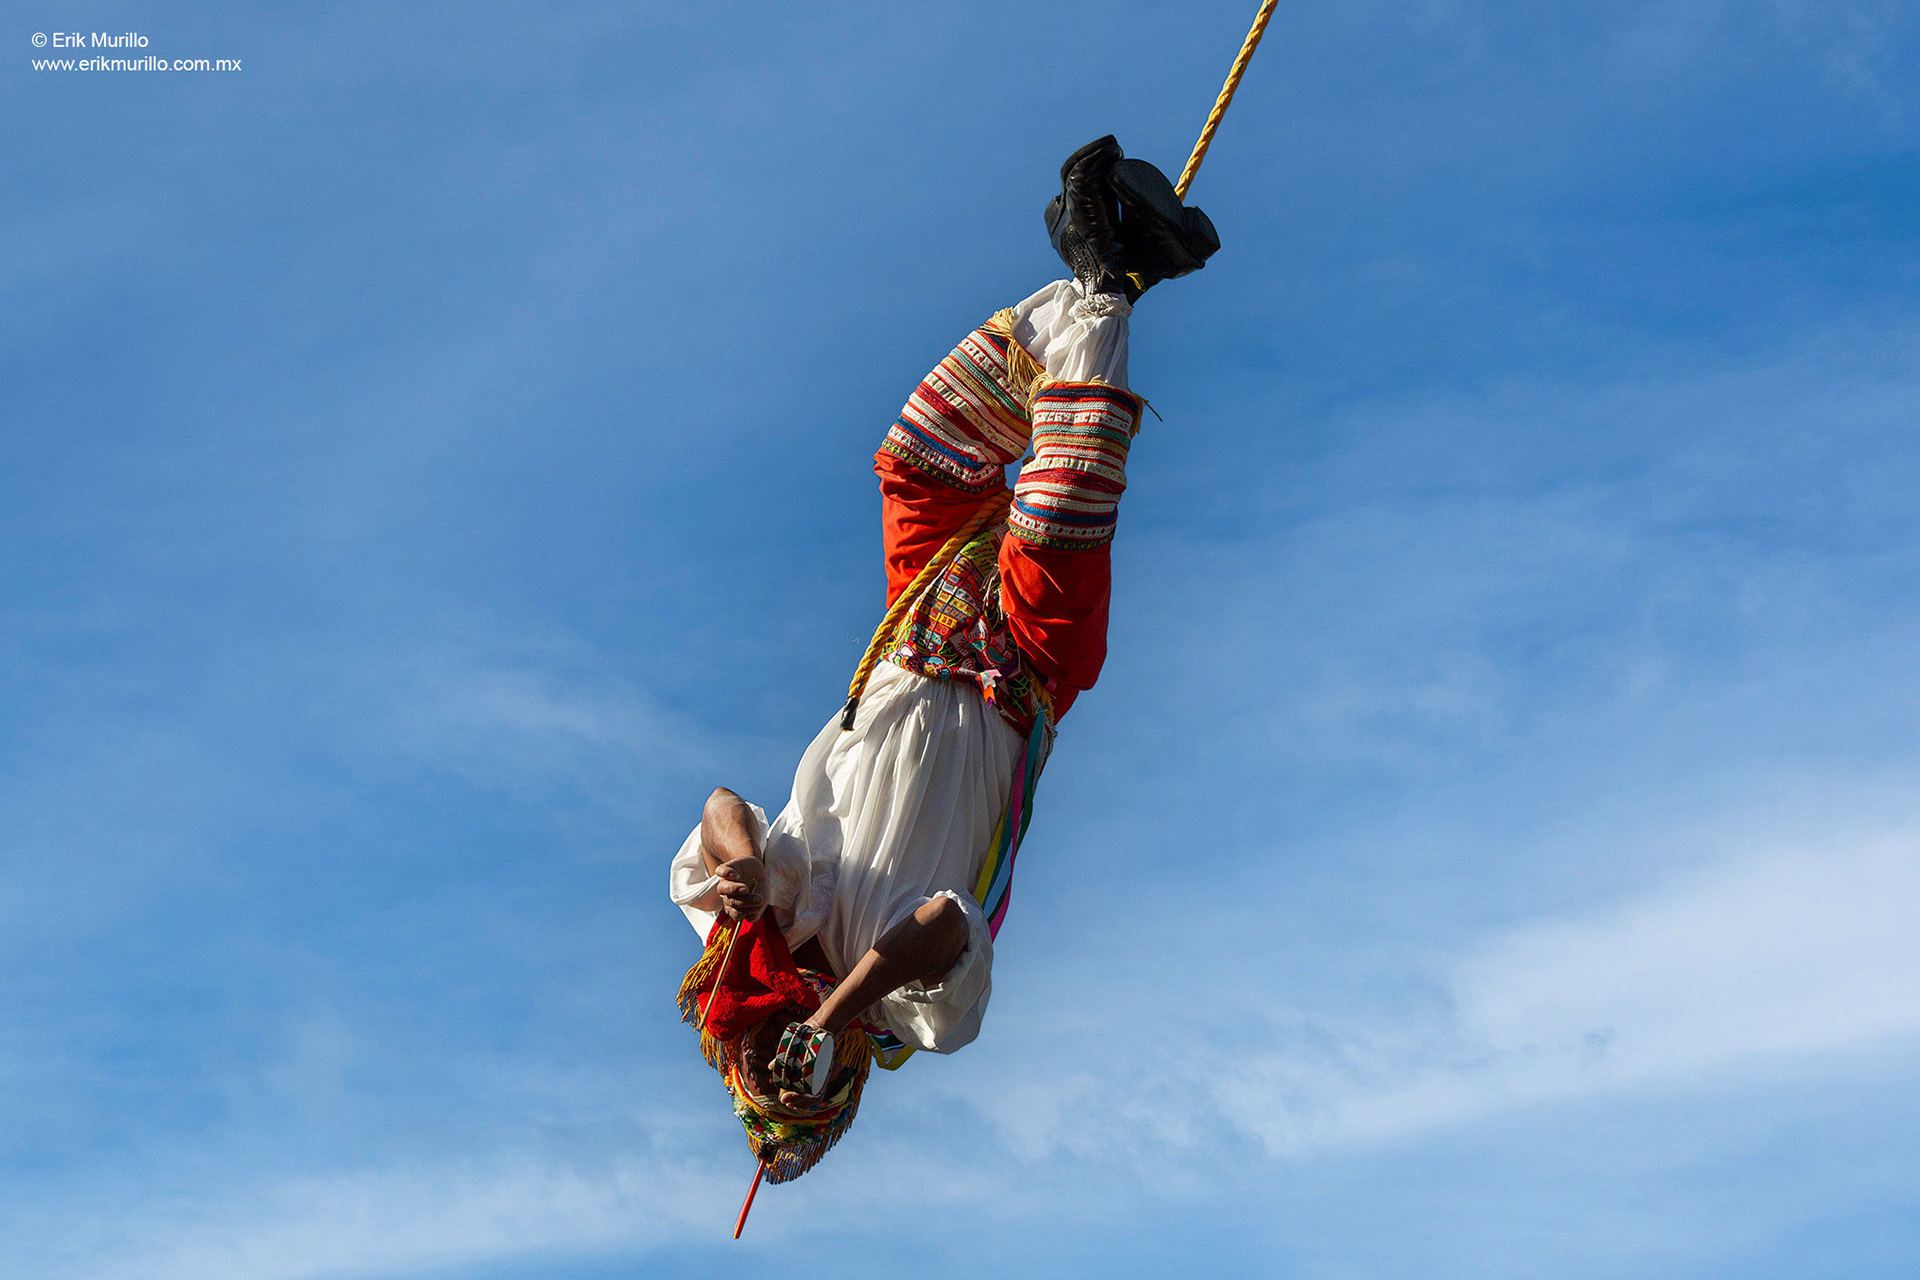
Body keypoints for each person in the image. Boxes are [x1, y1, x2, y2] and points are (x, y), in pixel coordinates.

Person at [670, 136, 1219, 1182]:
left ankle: (1102, 276)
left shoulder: (739, 940)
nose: (796, 1063)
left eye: (774, 1071)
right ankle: (1106, 286)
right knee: (1059, 507)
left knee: (920, 454)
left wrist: (740, 859)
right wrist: (838, 1009)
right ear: (841, 1091)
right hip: (1019, 670)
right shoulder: (924, 1019)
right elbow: (937, 921)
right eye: (811, 1083)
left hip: (917, 627)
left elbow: (718, 803)